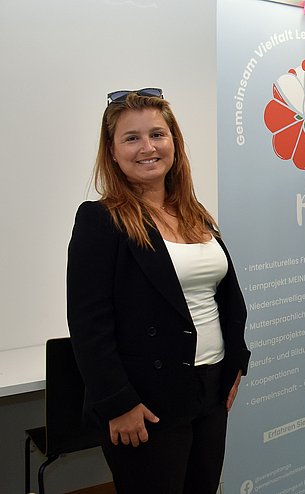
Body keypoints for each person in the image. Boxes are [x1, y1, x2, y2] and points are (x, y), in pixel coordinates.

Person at [67, 88, 250, 494]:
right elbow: (88, 324)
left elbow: (225, 296)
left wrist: (237, 360)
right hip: (145, 403)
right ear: (112, 151)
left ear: (174, 142)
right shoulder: (101, 220)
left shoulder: (193, 212)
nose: (147, 147)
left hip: (210, 387)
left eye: (157, 134)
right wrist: (118, 403)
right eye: (131, 138)